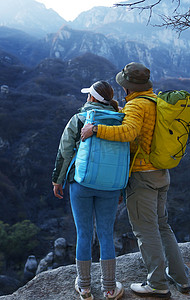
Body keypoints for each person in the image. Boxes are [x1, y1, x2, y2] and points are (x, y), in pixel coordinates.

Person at [81, 63, 190, 299]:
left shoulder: (136, 105)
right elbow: (139, 125)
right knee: (162, 225)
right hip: (162, 172)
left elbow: (129, 132)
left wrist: (95, 129)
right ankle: (180, 277)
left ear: (129, 87)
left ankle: (157, 284)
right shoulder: (153, 100)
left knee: (145, 230)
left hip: (143, 175)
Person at [52, 81, 124, 300]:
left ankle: (84, 288)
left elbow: (64, 151)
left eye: (88, 95)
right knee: (105, 234)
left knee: (84, 233)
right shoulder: (121, 120)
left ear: (92, 98)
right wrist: (121, 184)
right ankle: (110, 288)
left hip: (81, 182)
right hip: (111, 185)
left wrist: (58, 180)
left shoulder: (79, 119)